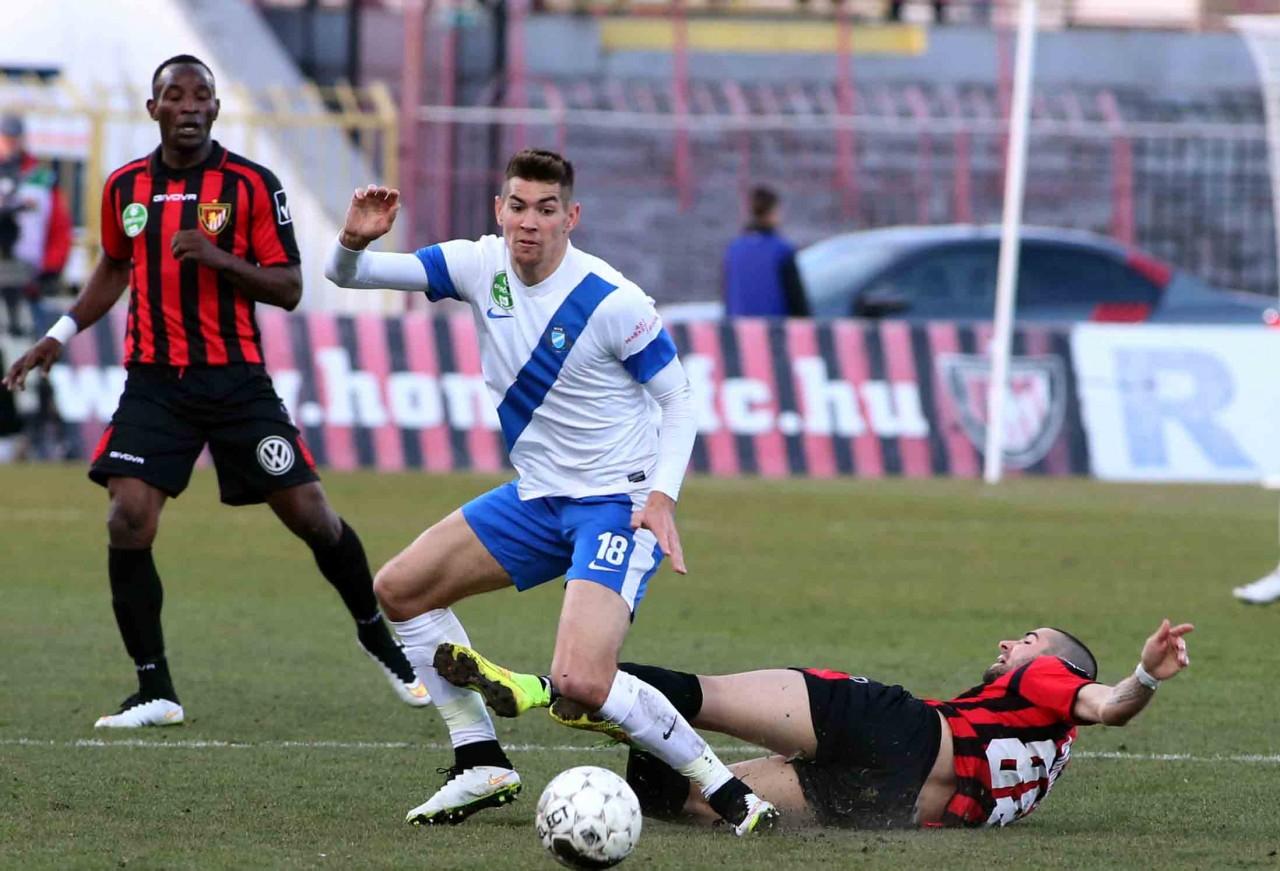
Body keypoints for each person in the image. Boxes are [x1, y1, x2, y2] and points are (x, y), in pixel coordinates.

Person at [324, 148, 777, 835]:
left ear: (571, 216)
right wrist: (353, 240)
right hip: (538, 497)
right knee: (401, 589)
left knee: (581, 682)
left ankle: (730, 791)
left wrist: (662, 498)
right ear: (498, 209)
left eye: (544, 208)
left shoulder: (612, 300)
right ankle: (480, 760)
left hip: (616, 506)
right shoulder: (477, 265)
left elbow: (679, 399)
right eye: (517, 206)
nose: (528, 222)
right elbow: (347, 275)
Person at [1, 55, 428, 728]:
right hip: (154, 384)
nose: (190, 105)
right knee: (127, 517)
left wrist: (218, 256)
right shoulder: (125, 187)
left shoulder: (251, 185)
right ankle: (155, 688)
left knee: (312, 516)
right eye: (175, 95)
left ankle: (379, 637)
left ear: (216, 109)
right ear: (154, 109)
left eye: (202, 95)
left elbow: (288, 287)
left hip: (235, 383)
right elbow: (114, 264)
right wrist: (60, 332)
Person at [451, 619, 1192, 829]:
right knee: (672, 799)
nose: (1009, 644)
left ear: (1055, 663)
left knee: (703, 696)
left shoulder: (1046, 679)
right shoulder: (1047, 753)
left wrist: (1148, 674)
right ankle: (618, 719)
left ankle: (536, 687)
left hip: (895, 731)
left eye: (1026, 639)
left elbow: (1112, 704)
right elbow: (1098, 712)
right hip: (886, 804)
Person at [0, 112, 72, 337]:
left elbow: (60, 227)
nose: (10, 143)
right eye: (5, 138)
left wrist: (51, 267)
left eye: (14, 138)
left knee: (29, 337)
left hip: (29, 277)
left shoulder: (41, 179)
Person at [722, 186, 808, 318]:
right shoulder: (781, 250)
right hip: (774, 328)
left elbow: (728, 298)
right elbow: (797, 302)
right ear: (772, 212)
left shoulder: (733, 250)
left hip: (739, 328)